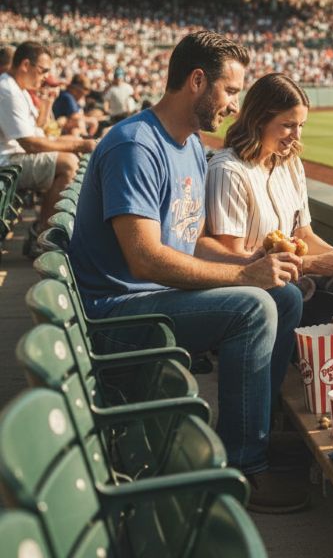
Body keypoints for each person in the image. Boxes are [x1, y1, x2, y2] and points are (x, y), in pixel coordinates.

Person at [68, 31, 309, 514]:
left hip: (152, 298)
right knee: (255, 309)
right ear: (198, 82)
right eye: (231, 91)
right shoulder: (135, 144)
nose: (235, 105)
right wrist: (244, 280)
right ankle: (241, 471)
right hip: (115, 316)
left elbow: (192, 242)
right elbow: (146, 259)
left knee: (285, 295)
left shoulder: (192, 147)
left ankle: (255, 429)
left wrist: (254, 265)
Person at [201, 73, 333, 317]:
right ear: (259, 120)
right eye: (288, 125)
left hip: (290, 283)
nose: (297, 135)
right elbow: (233, 260)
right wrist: (313, 264)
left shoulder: (291, 164)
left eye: (301, 126)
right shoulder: (228, 170)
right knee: (325, 305)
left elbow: (303, 236)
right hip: (249, 293)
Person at [0, 42, 96, 255]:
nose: (45, 77)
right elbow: (30, 143)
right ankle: (42, 236)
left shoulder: (19, 89)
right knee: (67, 163)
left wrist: (73, 142)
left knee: (71, 148)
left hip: (15, 157)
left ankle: (40, 231)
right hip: (7, 163)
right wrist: (79, 144)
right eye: (42, 71)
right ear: (26, 64)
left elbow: (38, 134)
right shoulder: (7, 89)